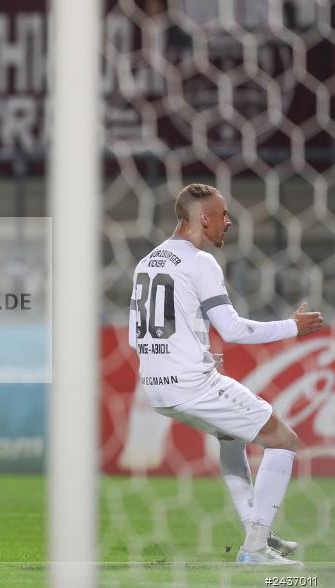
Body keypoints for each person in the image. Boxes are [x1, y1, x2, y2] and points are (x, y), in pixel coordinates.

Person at [128, 183, 323, 564]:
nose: (228, 222)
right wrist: (291, 327)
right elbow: (232, 329)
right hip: (191, 385)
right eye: (223, 215)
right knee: (284, 439)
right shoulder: (200, 262)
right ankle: (255, 549)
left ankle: (258, 529)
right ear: (204, 218)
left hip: (156, 389)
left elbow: (136, 339)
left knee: (232, 439)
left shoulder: (147, 262)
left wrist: (191, 355)